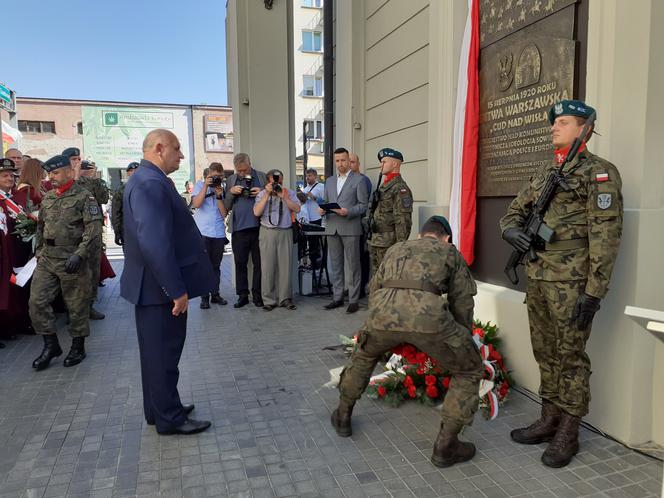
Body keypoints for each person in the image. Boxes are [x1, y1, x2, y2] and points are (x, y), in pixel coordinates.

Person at [500, 100, 624, 468]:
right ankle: (549, 417)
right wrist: (511, 232)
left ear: (584, 128)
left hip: (572, 283)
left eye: (564, 122)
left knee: (571, 356)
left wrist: (594, 292)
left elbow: (607, 238)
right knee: (545, 351)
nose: (554, 127)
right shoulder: (543, 172)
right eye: (554, 122)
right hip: (538, 278)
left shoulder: (599, 173)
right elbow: (513, 212)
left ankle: (570, 429)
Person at [332, 216, 483, 468]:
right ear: (445, 237)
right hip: (429, 320)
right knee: (469, 369)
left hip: (382, 317)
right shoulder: (449, 251)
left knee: (365, 356)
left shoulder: (396, 248)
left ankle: (343, 414)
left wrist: (382, 324)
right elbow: (462, 301)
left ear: (422, 234)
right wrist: (461, 339)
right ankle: (446, 445)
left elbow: (375, 287)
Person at [121, 129, 214, 435]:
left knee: (155, 354)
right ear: (159, 148)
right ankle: (169, 418)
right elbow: (155, 243)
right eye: (177, 149)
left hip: (150, 287)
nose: (181, 155)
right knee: (164, 355)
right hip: (159, 290)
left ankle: (158, 408)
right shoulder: (149, 182)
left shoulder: (146, 179)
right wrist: (176, 290)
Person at [28, 155, 103, 370]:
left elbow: (93, 229)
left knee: (76, 305)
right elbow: (41, 227)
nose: (51, 177)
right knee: (37, 302)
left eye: (56, 173)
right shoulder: (48, 198)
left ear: (69, 172)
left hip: (73, 259)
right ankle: (50, 345)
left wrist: (79, 254)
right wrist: (40, 250)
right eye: (49, 174)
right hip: (48, 258)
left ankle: (78, 347)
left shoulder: (84, 197)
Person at [319, 147, 368, 314]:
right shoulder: (330, 181)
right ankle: (337, 297)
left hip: (351, 227)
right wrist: (322, 209)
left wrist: (349, 211)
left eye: (343, 160)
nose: (340, 163)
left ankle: (353, 300)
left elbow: (363, 205)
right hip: (332, 227)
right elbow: (326, 200)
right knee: (336, 265)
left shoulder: (359, 180)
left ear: (349, 161)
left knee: (353, 265)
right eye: (337, 161)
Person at [223, 153, 267, 308]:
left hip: (259, 227)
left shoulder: (261, 177)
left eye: (244, 170)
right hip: (239, 229)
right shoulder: (231, 180)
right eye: (239, 171)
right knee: (240, 263)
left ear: (250, 164)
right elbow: (226, 206)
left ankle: (257, 295)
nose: (242, 173)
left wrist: (261, 191)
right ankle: (242, 295)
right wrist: (231, 192)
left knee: (259, 264)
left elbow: (272, 197)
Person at [253, 169, 301, 311]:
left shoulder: (290, 193)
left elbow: (297, 209)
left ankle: (285, 298)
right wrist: (267, 194)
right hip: (267, 232)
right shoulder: (262, 194)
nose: (277, 184)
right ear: (268, 182)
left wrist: (284, 197)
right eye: (274, 182)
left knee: (286, 267)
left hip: (285, 232)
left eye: (279, 181)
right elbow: (256, 212)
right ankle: (268, 300)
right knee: (267, 267)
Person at [367, 148, 413, 272]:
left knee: (388, 277)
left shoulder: (400, 189)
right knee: (377, 277)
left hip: (389, 244)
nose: (381, 165)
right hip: (377, 241)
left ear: (395, 164)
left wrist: (400, 247)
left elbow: (403, 220)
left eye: (384, 162)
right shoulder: (384, 186)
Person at [192, 163, 229, 309]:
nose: (218, 179)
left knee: (216, 266)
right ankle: (204, 297)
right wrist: (206, 187)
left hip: (218, 233)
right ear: (208, 175)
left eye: (220, 177)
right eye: (215, 176)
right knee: (204, 266)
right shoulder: (200, 185)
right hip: (203, 232)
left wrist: (219, 196)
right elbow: (196, 204)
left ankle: (215, 294)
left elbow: (224, 213)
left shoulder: (221, 188)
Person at [77, 160, 109, 320]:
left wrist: (95, 180)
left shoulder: (94, 182)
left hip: (93, 233)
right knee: (77, 274)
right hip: (75, 233)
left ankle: (89, 306)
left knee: (93, 271)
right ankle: (75, 309)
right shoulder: (73, 182)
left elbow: (103, 199)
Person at [0, 159, 21, 342]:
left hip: (13, 252)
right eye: (5, 175)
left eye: (12, 175)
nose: (10, 178)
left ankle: (11, 324)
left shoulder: (12, 198)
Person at [296, 168, 325, 267]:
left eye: (309, 176)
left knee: (315, 243)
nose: (307, 178)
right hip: (307, 219)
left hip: (317, 218)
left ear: (315, 176)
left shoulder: (321, 187)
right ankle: (309, 263)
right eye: (306, 176)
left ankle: (316, 264)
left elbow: (325, 202)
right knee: (309, 242)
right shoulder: (305, 188)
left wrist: (314, 197)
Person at [111, 161, 139, 246]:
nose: (135, 173)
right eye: (132, 171)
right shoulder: (121, 191)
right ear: (128, 173)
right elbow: (116, 212)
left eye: (138, 170)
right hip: (128, 231)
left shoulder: (149, 188)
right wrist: (117, 232)